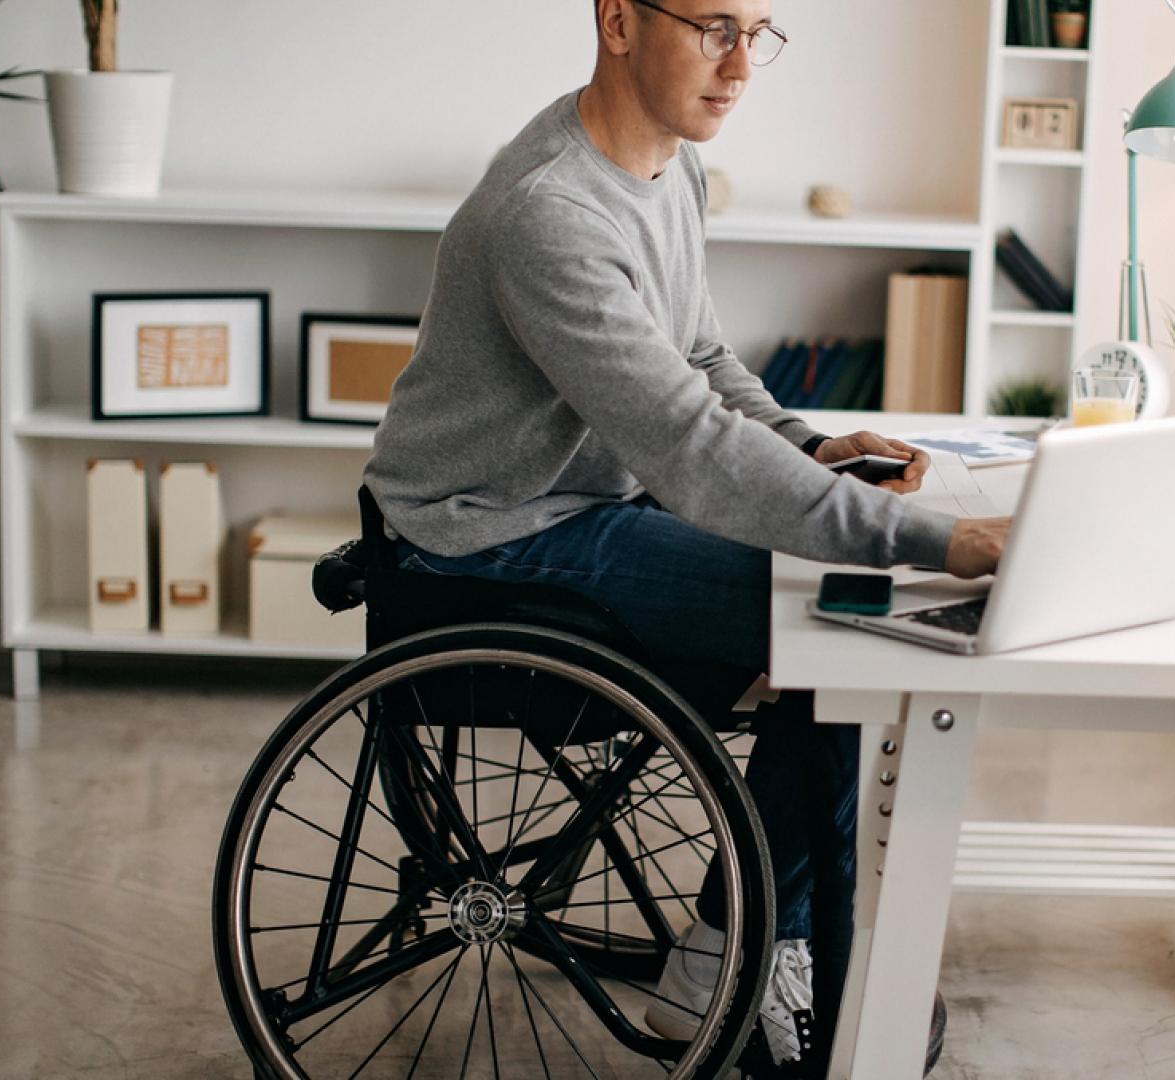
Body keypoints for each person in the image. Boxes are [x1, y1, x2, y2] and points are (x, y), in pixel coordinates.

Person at [363, 0, 1009, 1072]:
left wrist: (804, 443)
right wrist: (927, 540)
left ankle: (732, 947)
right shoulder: (548, 212)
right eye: (714, 26)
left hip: (591, 507)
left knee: (839, 619)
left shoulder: (671, 169)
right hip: (484, 541)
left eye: (759, 30)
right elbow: (687, 445)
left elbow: (702, 363)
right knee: (846, 617)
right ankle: (759, 952)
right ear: (617, 20)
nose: (742, 64)